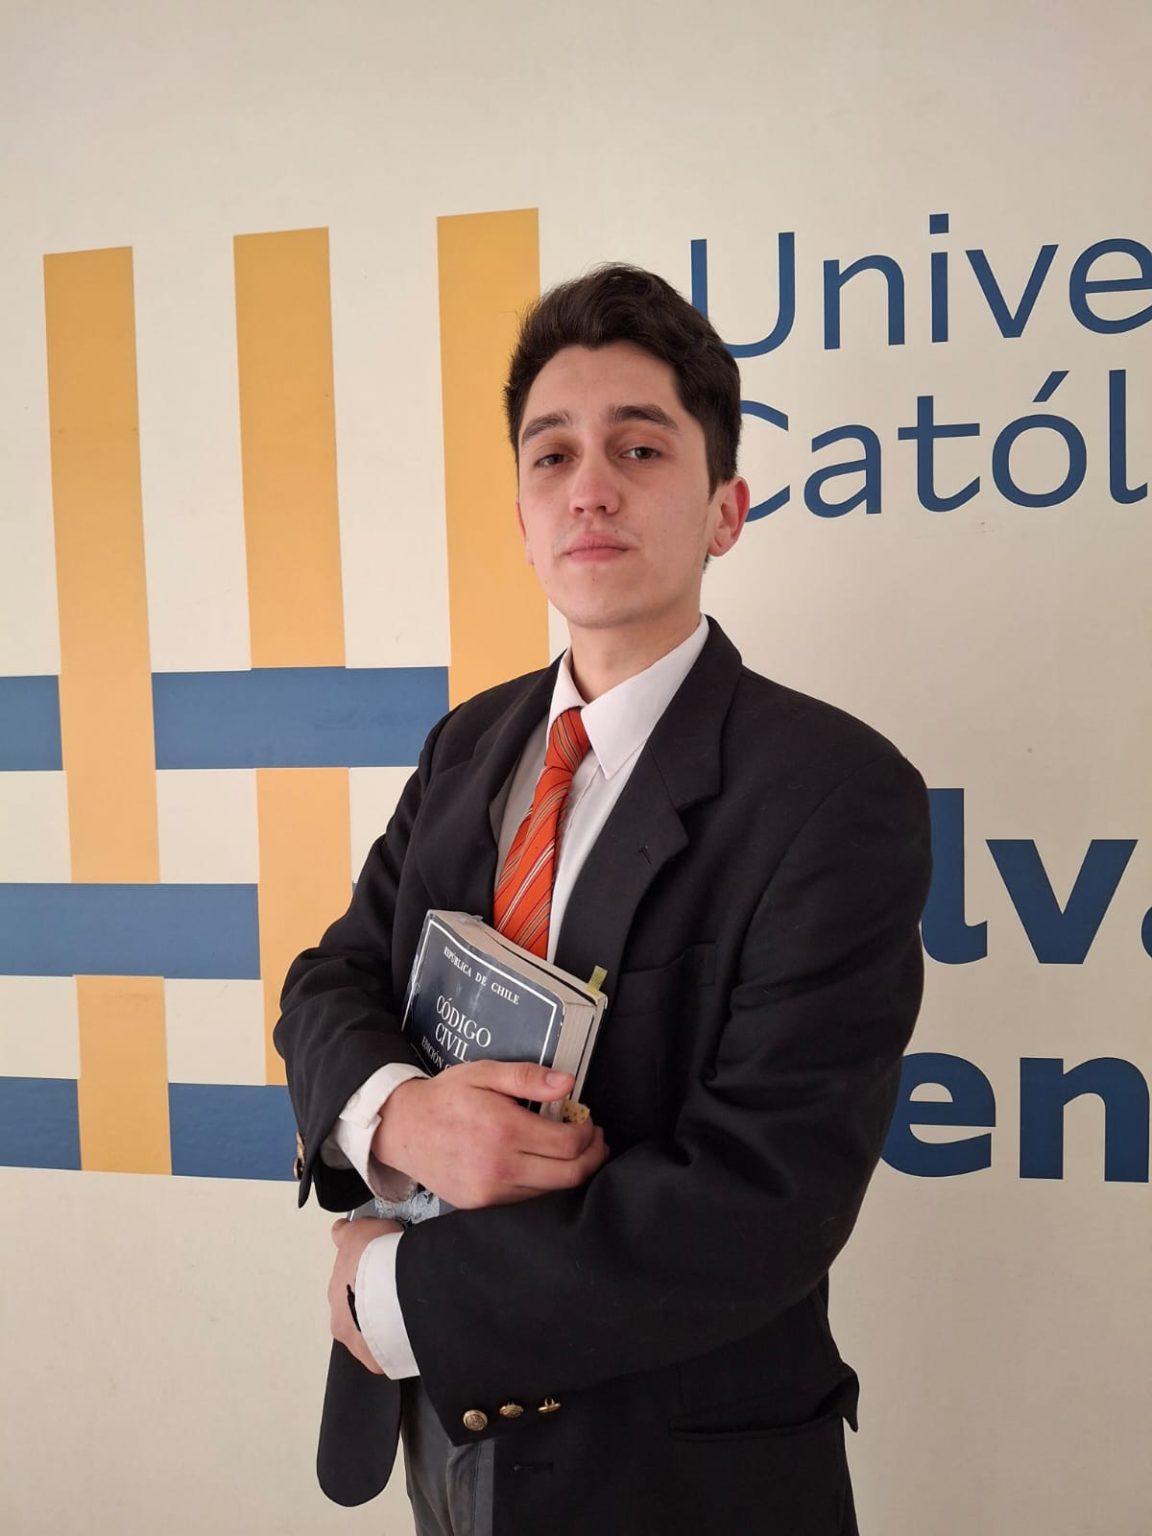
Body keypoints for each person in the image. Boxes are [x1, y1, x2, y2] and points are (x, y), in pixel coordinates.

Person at [275, 264, 932, 1536]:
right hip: (430, 1428)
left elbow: (764, 1197)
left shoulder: (833, 794)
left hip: (668, 1466)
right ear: (524, 517)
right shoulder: (469, 746)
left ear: (725, 511)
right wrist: (401, 1116)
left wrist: (399, 1296)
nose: (590, 486)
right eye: (552, 455)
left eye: (640, 448)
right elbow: (330, 984)